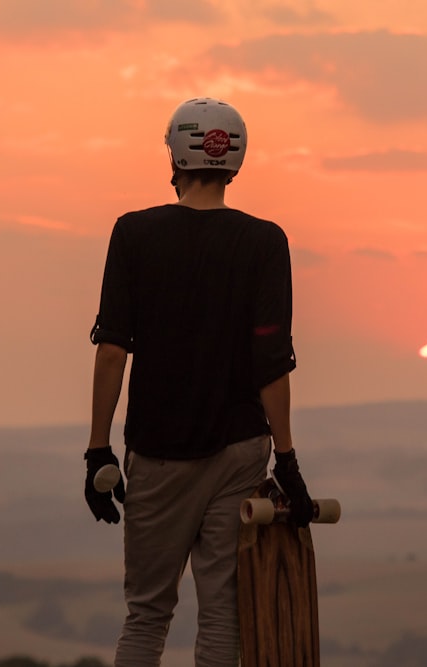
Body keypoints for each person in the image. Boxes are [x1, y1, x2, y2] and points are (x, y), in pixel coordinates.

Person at [83, 97, 314, 667]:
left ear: (175, 155)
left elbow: (113, 352)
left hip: (159, 452)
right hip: (239, 451)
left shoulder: (134, 234)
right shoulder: (265, 242)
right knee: (223, 614)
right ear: (234, 161)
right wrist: (287, 461)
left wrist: (96, 452)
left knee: (147, 614)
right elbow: (272, 363)